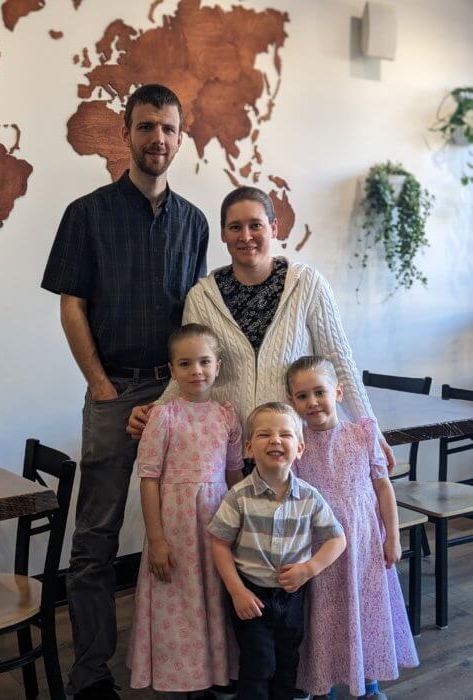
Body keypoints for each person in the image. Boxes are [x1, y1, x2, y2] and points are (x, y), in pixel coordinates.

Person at [41, 84, 209, 700]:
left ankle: (187, 658)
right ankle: (90, 676)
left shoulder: (194, 222)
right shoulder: (86, 213)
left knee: (188, 529)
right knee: (96, 539)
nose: (157, 139)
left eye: (167, 128)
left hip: (176, 396)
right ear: (125, 132)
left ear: (180, 137)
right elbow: (71, 306)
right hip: (115, 392)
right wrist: (101, 385)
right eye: (146, 127)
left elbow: (194, 316)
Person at [128, 186, 395, 473]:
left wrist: (371, 429)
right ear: (223, 234)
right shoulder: (202, 297)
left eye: (255, 225)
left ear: (273, 227)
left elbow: (339, 362)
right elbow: (190, 372)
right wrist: (156, 410)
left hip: (294, 454)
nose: (245, 236)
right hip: (224, 456)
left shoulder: (308, 284)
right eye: (235, 227)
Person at [286, 355, 419, 700]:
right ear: (292, 401)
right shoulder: (296, 444)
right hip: (320, 545)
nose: (312, 402)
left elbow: (382, 486)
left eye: (320, 392)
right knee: (324, 614)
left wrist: (393, 536)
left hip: (364, 540)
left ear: (339, 392)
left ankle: (369, 681)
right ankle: (322, 683)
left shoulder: (361, 434)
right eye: (302, 396)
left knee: (367, 608)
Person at [126, 323, 244, 697]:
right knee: (179, 599)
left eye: (204, 362)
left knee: (215, 595)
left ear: (218, 364)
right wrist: (156, 539)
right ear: (172, 369)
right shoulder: (162, 417)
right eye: (186, 363)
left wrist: (243, 527)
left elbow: (235, 474)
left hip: (217, 523)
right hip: (175, 529)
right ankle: (182, 675)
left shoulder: (227, 415)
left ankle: (216, 672)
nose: (197, 371)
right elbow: (148, 480)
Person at [208, 402, 346, 700]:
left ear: (299, 448)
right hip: (251, 595)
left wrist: (310, 568)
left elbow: (338, 540)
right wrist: (236, 591)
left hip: (292, 595)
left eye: (285, 434)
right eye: (264, 434)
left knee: (287, 661)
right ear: (248, 447)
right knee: (258, 664)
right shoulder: (239, 497)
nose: (275, 440)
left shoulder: (309, 497)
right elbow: (218, 542)